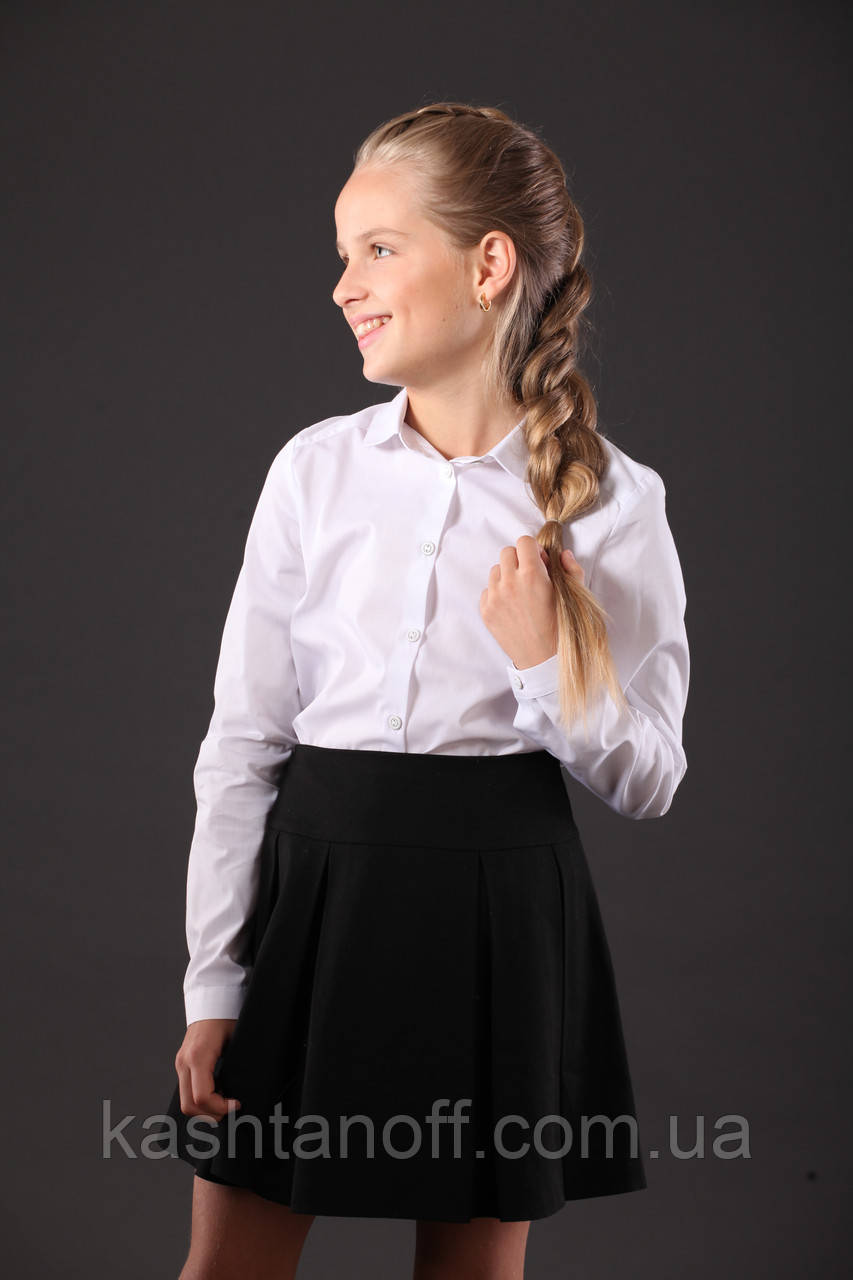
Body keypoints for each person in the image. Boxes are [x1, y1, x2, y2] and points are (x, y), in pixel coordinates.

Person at [152, 101, 690, 1280]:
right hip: (312, 901)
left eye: (378, 249)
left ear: (488, 265)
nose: (343, 284)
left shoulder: (612, 501)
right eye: (343, 254)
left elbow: (652, 775)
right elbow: (241, 745)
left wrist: (543, 664)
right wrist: (214, 980)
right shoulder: (314, 470)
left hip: (503, 914)